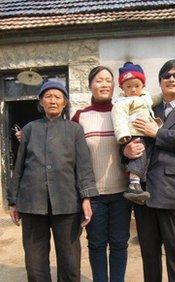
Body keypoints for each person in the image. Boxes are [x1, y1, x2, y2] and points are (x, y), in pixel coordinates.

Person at [123, 59, 175, 282]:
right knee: (149, 256)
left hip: (173, 193)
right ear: (160, 82)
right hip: (144, 195)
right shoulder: (147, 108)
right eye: (167, 76)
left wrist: (157, 133)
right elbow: (132, 137)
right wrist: (127, 151)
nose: (172, 79)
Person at [7, 80, 98, 282]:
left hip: (67, 203)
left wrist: (86, 197)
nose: (53, 101)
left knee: (70, 263)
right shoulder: (30, 129)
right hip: (32, 204)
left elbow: (83, 166)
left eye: (58, 97)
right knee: (35, 264)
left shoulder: (75, 130)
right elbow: (19, 165)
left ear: (65, 102)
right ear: (41, 102)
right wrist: (13, 200)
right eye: (48, 97)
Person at [72, 66, 131, 282]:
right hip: (93, 195)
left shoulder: (123, 112)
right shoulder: (81, 116)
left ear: (114, 86)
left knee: (119, 244)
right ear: (90, 85)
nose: (104, 84)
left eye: (108, 80)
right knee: (96, 245)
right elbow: (72, 156)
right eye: (99, 80)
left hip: (122, 194)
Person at [111, 62, 162, 203]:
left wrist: (164, 94)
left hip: (147, 133)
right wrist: (123, 135)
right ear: (121, 87)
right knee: (138, 155)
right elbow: (119, 118)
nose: (133, 89)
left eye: (137, 86)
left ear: (143, 86)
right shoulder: (122, 102)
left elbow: (157, 98)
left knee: (145, 157)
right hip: (134, 133)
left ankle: (139, 184)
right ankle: (133, 183)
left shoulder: (145, 97)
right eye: (128, 86)